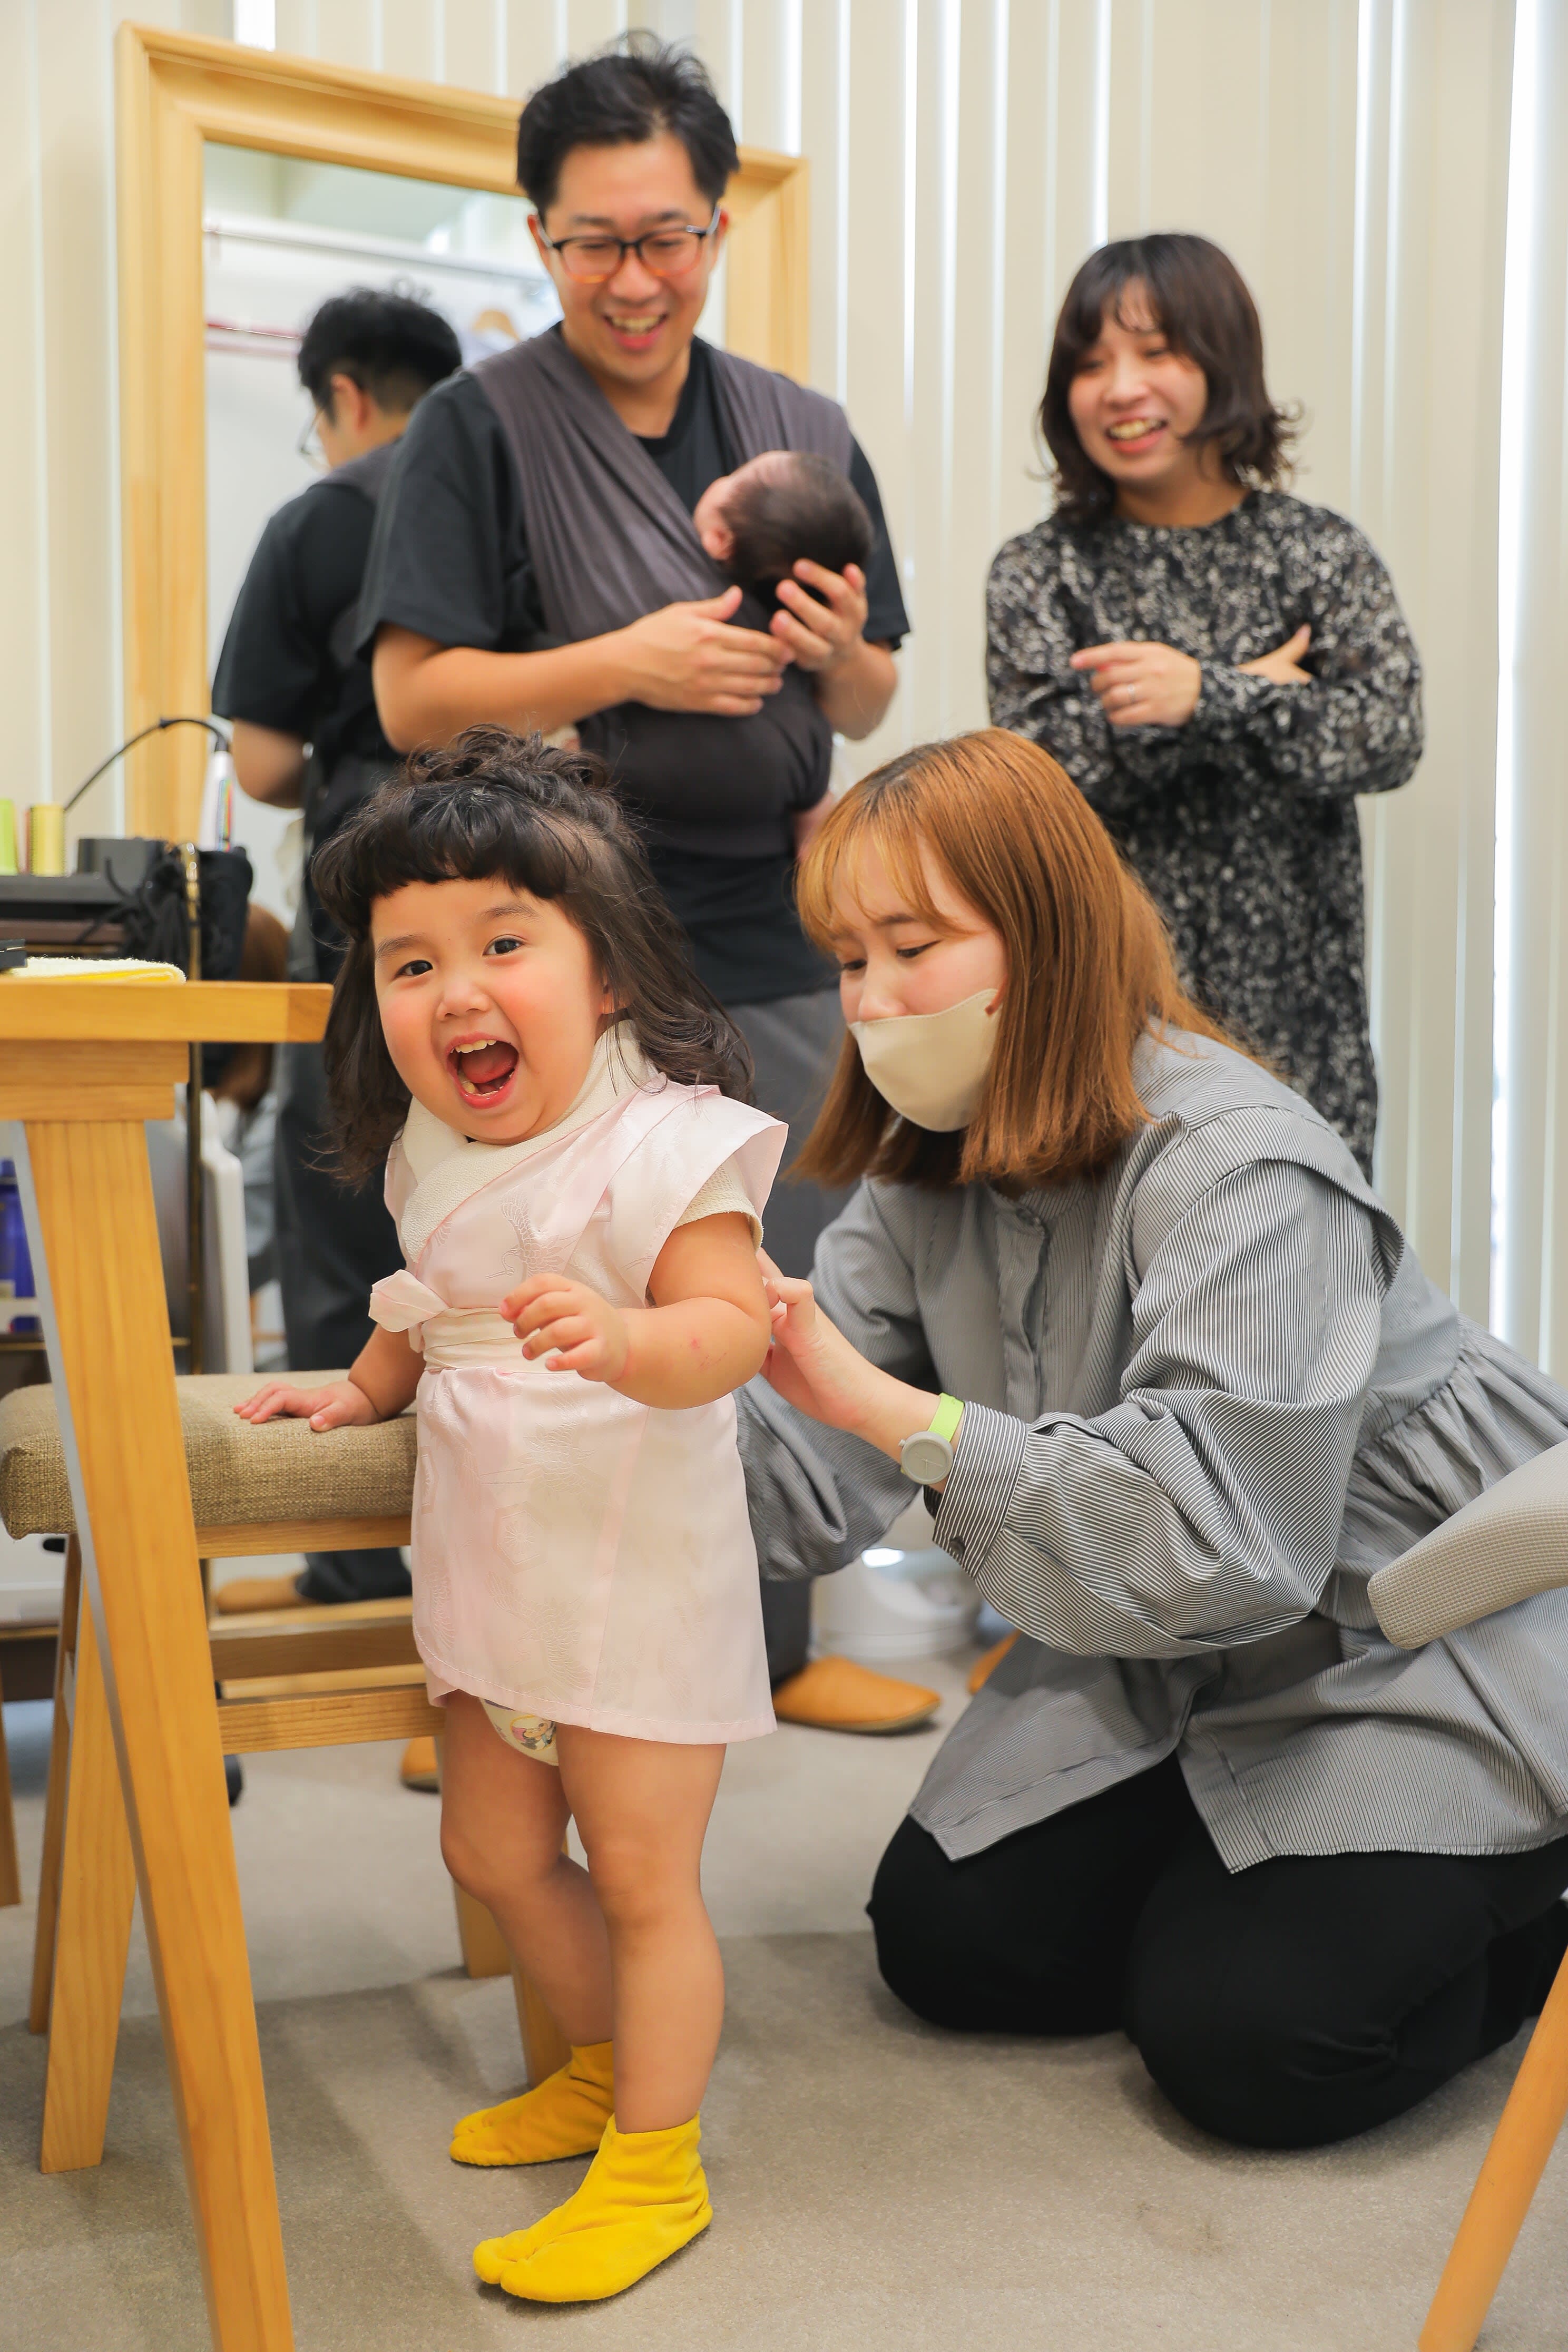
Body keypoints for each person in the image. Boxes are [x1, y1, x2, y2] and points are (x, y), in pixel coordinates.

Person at [738, 728, 1568, 2152]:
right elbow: (807, 1475)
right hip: (1174, 1643)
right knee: (951, 1945)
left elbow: (1232, 1549)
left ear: (1047, 936)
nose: (870, 1004)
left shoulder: (1241, 1167)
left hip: (1415, 1636)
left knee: (1258, 2050)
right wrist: (592, 1396)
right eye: (848, 959)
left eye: (911, 949)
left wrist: (908, 1418)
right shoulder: (927, 1169)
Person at [358, 34, 932, 1735]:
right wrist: (621, 660)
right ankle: (516, 1670)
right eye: (596, 240)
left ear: (716, 223)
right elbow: (410, 698)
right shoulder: (478, 424)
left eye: (668, 234)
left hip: (766, 918)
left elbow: (876, 687)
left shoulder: (799, 431)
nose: (636, 276)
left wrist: (836, 660)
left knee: (762, 1287)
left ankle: (754, 1647)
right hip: (564, 930)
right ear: (539, 237)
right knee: (555, 1299)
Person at [239, 729, 785, 2301]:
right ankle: (607, 2064)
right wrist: (356, 1389)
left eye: (501, 945)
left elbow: (732, 1331)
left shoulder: (669, 1141)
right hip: (492, 1570)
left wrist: (626, 1339)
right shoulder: (434, 1141)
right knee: (488, 1846)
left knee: (639, 1874)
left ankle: (659, 2161)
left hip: (634, 1573)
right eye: (408, 965)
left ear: (606, 971)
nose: (453, 993)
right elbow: (427, 1303)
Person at [987, 232, 1423, 1178]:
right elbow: (1042, 784)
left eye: (1158, 352)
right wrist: (1259, 688)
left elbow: (1389, 733)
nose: (1121, 388)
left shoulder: (1318, 552)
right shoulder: (1040, 571)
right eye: (1091, 363)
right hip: (1103, 1026)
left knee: (1309, 1305)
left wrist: (1203, 696)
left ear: (1222, 364)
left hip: (1302, 1025)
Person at [212, 288, 462, 1669]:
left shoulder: (323, 517)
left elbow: (257, 766)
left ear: (343, 398)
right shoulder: (517, 492)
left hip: (373, 911)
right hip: (543, 894)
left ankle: (361, 1585)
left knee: (346, 1229)